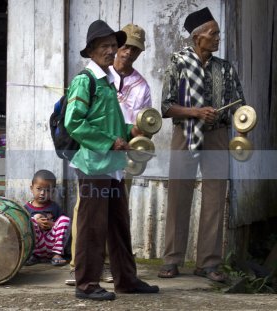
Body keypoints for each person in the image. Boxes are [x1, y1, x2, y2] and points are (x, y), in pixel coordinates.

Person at [64, 19, 159, 301]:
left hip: (112, 166)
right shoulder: (86, 80)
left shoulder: (107, 81)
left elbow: (112, 121)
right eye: (104, 46)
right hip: (93, 165)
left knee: (119, 224)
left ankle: (126, 280)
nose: (111, 50)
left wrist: (131, 131)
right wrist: (109, 142)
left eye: (112, 45)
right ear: (91, 50)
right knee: (92, 226)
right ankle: (86, 284)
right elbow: (73, 122)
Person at [158, 7, 246, 282]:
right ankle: (172, 260)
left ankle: (208, 263)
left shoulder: (225, 68)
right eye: (214, 33)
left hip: (218, 135)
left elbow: (239, 105)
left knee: (215, 197)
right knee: (178, 196)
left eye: (218, 32)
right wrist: (196, 112)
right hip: (185, 134)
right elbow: (166, 107)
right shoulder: (178, 63)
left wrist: (242, 119)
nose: (218, 37)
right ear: (198, 37)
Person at [24, 169, 71, 266]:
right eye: (39, 189)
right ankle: (33, 256)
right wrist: (36, 223)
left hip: (53, 245)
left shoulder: (54, 207)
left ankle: (57, 255)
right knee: (29, 220)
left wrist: (52, 225)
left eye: (47, 190)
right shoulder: (26, 208)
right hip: (37, 246)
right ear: (31, 188)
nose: (42, 193)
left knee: (65, 220)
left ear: (52, 191)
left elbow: (63, 227)